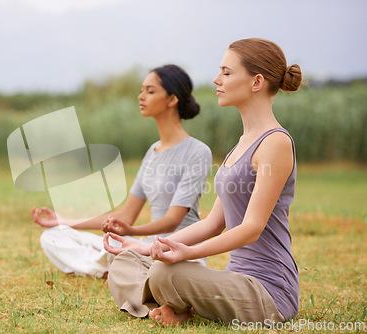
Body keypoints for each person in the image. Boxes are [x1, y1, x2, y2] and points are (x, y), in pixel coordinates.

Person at [103, 38, 302, 327]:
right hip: (235, 279)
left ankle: (171, 303)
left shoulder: (275, 143)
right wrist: (145, 247)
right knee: (126, 262)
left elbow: (251, 229)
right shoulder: (241, 145)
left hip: (268, 293)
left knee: (163, 273)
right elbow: (212, 224)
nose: (216, 79)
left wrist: (188, 253)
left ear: (256, 82)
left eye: (227, 72)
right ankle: (176, 307)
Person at [33, 64, 212, 278]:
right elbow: (126, 216)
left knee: (134, 256)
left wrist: (131, 232)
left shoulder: (198, 151)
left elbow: (173, 220)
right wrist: (63, 221)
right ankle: (120, 270)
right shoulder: (152, 152)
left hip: (179, 251)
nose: (141, 96)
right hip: (143, 247)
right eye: (141, 90)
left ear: (172, 99)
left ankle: (123, 271)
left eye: (150, 91)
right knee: (53, 236)